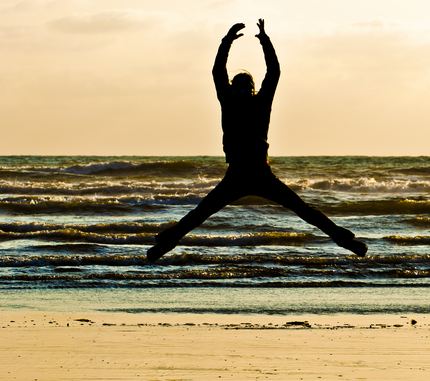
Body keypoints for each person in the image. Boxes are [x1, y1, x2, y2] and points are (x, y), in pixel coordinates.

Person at [147, 19, 367, 262]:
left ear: (252, 89)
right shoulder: (228, 102)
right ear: (231, 89)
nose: (240, 90)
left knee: (303, 209)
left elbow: (273, 73)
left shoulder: (261, 103)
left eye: (245, 87)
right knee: (202, 212)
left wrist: (264, 40)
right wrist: (227, 41)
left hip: (262, 173)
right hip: (237, 174)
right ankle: (166, 244)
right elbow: (218, 72)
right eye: (237, 87)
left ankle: (345, 240)